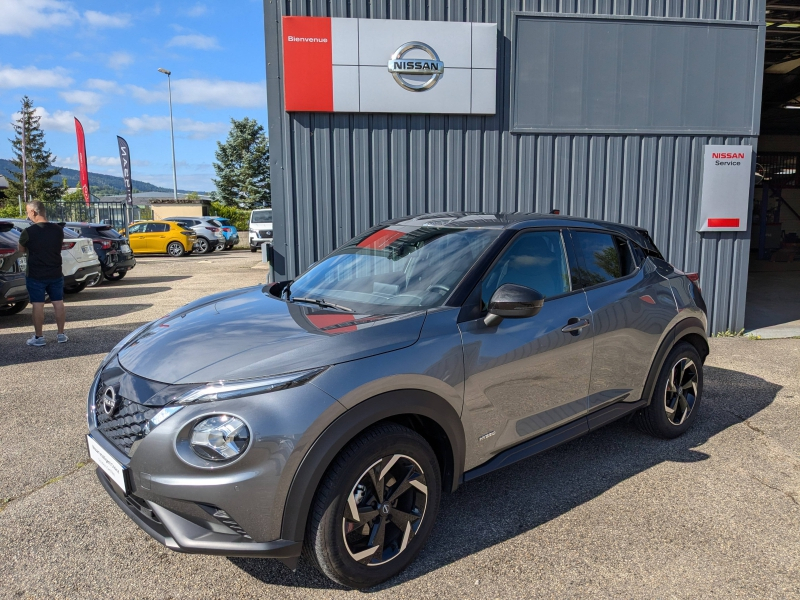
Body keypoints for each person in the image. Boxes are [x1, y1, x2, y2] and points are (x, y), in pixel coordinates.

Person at [17, 200, 68, 346]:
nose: (28, 215)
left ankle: (39, 338)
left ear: (33, 212)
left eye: (27, 212)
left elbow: (20, 250)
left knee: (38, 304)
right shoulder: (58, 229)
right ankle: (61, 335)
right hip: (56, 272)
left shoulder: (28, 232)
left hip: (35, 273)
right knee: (58, 302)